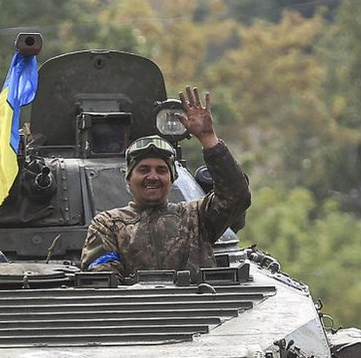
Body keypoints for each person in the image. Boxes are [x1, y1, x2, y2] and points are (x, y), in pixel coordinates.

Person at [80, 86, 251, 277]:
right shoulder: (108, 225)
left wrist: (207, 138)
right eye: (143, 169)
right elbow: (103, 278)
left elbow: (236, 195)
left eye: (161, 170)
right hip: (136, 306)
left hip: (197, 305)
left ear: (172, 179)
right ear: (128, 178)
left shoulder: (196, 218)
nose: (152, 177)